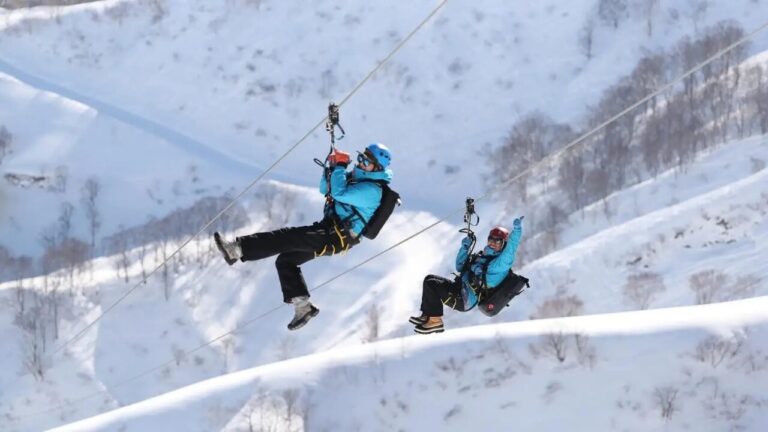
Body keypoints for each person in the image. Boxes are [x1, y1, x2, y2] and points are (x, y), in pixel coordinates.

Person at [214, 143, 393, 330]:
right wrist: (331, 169)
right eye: (361, 158)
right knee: (286, 260)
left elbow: (339, 193)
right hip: (329, 230)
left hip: (337, 236)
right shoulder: (355, 179)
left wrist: (339, 167)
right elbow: (326, 189)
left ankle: (236, 249)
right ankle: (303, 307)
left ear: (377, 168)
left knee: (286, 238)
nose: (361, 163)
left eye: (366, 161)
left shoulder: (373, 191)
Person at [410, 218, 523, 334]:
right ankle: (427, 315)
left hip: (464, 299)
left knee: (432, 284)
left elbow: (510, 250)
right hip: (459, 287)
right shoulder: (482, 257)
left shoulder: (500, 264)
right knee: (429, 279)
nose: (493, 243)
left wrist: (517, 230)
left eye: (498, 241)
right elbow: (460, 266)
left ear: (503, 244)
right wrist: (464, 248)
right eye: (491, 239)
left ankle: (435, 321)